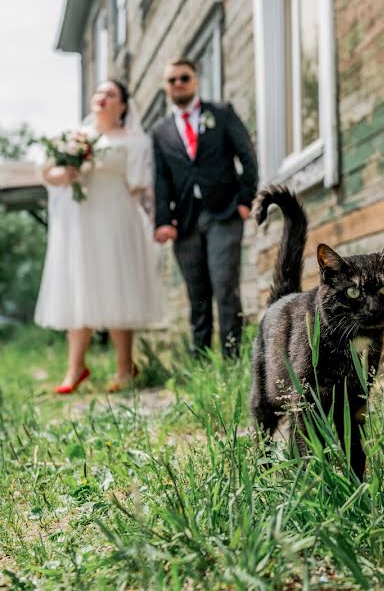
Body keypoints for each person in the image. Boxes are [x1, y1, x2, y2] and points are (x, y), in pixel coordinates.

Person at [35, 80, 163, 393]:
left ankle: (124, 369)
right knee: (80, 287)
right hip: (80, 224)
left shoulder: (135, 141)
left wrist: (156, 218)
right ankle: (75, 369)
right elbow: (46, 172)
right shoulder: (74, 136)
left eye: (111, 94)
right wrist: (64, 175)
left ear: (123, 105)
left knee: (118, 287)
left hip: (117, 220)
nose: (102, 98)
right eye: (99, 93)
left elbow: (141, 186)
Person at [151, 58, 258, 358]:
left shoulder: (221, 113)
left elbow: (247, 155)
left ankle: (232, 358)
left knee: (225, 286)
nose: (178, 84)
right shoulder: (160, 131)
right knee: (197, 294)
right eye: (171, 80)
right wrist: (162, 220)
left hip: (224, 213)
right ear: (166, 87)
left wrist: (246, 200)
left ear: (196, 80)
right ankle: (199, 361)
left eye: (184, 77)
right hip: (185, 221)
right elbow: (160, 178)